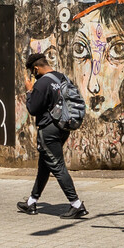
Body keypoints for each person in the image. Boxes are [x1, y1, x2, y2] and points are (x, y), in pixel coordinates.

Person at [17, 52, 87, 218]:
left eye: (32, 71)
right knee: (45, 165)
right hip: (63, 127)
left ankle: (76, 204)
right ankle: (32, 202)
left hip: (48, 129)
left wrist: (29, 92)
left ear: (35, 68)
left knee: (57, 165)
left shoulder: (42, 83)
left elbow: (33, 109)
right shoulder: (62, 78)